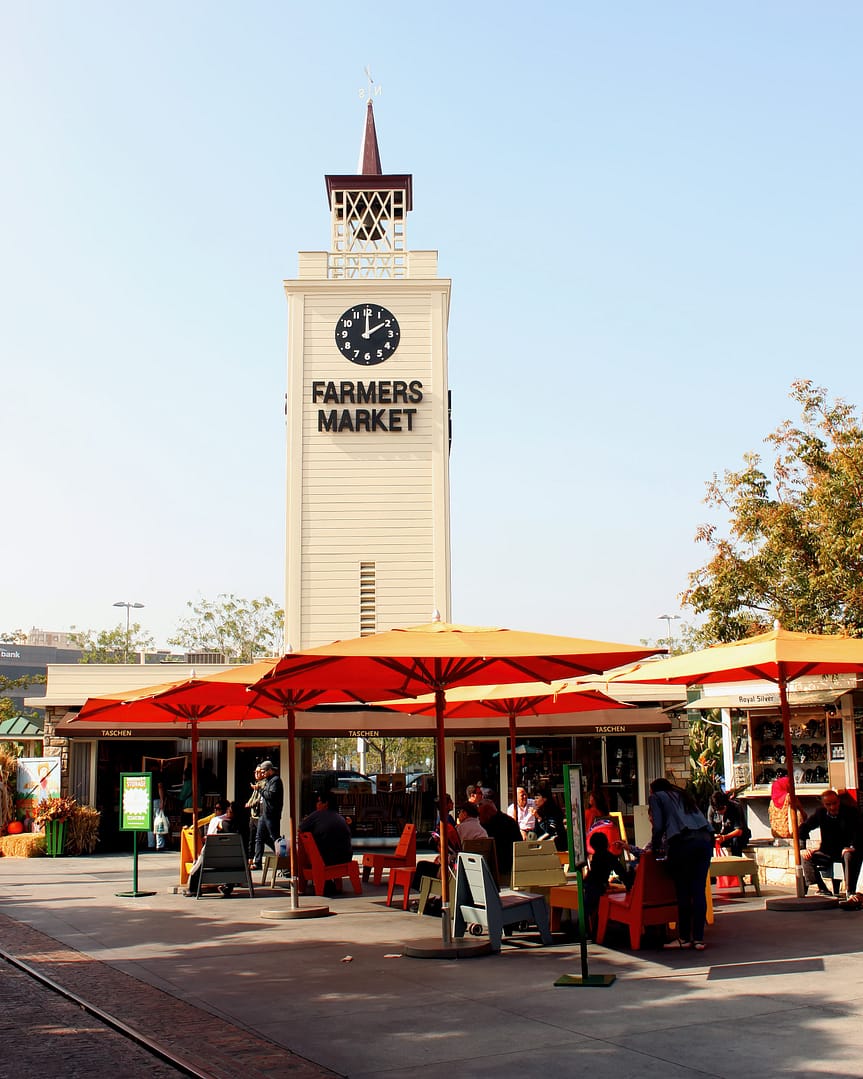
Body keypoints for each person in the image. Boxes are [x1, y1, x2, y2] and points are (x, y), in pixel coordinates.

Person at [648, 777, 713, 951]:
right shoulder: (683, 795)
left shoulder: (657, 797)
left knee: (683, 890)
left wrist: (655, 846)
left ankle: (684, 937)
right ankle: (698, 938)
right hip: (705, 841)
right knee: (698, 891)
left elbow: (659, 825)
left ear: (653, 790)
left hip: (682, 842)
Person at [798, 789, 863, 897]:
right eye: (828, 804)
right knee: (806, 857)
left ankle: (850, 891)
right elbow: (803, 828)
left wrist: (853, 846)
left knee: (848, 855)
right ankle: (822, 888)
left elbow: (860, 831)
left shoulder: (850, 812)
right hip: (828, 851)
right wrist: (803, 848)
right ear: (824, 804)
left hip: (847, 850)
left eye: (835, 803)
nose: (832, 807)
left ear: (839, 801)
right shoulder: (821, 813)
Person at [582, 831, 627, 939]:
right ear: (606, 843)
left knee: (588, 908)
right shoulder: (610, 857)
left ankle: (588, 930)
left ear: (592, 845)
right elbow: (621, 871)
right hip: (601, 885)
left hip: (592, 884)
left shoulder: (596, 857)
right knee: (596, 908)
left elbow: (592, 874)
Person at [299, 791, 353, 867]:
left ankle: (303, 877)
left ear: (326, 803)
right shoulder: (339, 817)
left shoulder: (317, 814)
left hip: (326, 861)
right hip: (345, 859)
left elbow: (300, 829)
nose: (317, 804)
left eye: (318, 801)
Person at [478, 799, 522, 879]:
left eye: (480, 814)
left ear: (488, 813)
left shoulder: (488, 826)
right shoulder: (510, 821)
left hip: (498, 868)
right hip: (513, 865)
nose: (479, 818)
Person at [252, 760, 283, 871]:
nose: (263, 774)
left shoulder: (276, 781)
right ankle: (258, 862)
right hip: (263, 814)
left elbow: (271, 795)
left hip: (271, 815)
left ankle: (284, 861)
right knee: (259, 838)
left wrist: (260, 789)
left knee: (275, 838)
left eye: (264, 771)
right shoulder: (269, 781)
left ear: (270, 770)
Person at [709, 791, 751, 857]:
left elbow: (739, 831)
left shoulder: (736, 807)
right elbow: (709, 828)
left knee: (736, 840)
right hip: (721, 836)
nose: (719, 812)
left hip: (736, 836)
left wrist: (724, 837)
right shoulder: (712, 809)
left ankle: (736, 862)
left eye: (721, 809)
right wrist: (714, 836)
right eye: (717, 811)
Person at [147, 767, 168, 852]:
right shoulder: (157, 775)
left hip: (148, 800)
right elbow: (160, 787)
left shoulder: (147, 776)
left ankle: (150, 844)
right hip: (156, 800)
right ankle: (159, 845)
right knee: (158, 821)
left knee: (150, 823)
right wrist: (162, 800)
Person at [245, 765, 265, 854]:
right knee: (251, 838)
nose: (256, 774)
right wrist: (249, 803)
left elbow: (259, 799)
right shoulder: (257, 784)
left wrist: (250, 804)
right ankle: (250, 858)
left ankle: (279, 849)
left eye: (258, 772)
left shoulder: (264, 784)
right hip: (253, 815)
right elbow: (253, 797)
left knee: (261, 838)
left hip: (260, 815)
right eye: (255, 772)